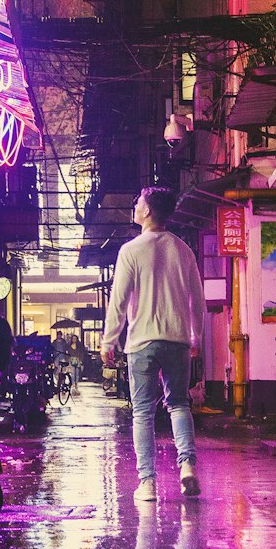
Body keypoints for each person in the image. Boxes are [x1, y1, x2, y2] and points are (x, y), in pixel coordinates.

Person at [100, 186, 205, 502]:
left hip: (141, 343)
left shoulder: (130, 251)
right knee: (179, 404)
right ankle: (187, 465)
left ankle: (147, 483)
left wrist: (108, 341)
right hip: (176, 340)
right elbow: (196, 300)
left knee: (143, 413)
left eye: (138, 202)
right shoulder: (183, 249)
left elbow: (118, 302)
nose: (135, 206)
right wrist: (195, 336)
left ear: (147, 211)